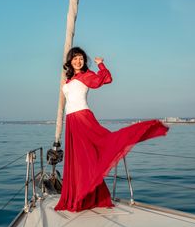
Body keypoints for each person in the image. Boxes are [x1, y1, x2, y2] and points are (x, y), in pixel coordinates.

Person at [54, 47, 168, 212]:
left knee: (100, 146)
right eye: (75, 58)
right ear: (70, 61)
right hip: (71, 121)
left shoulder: (87, 75)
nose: (78, 61)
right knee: (79, 159)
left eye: (81, 58)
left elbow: (106, 79)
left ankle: (145, 129)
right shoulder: (69, 79)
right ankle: (81, 195)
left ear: (84, 61)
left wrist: (101, 65)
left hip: (82, 118)